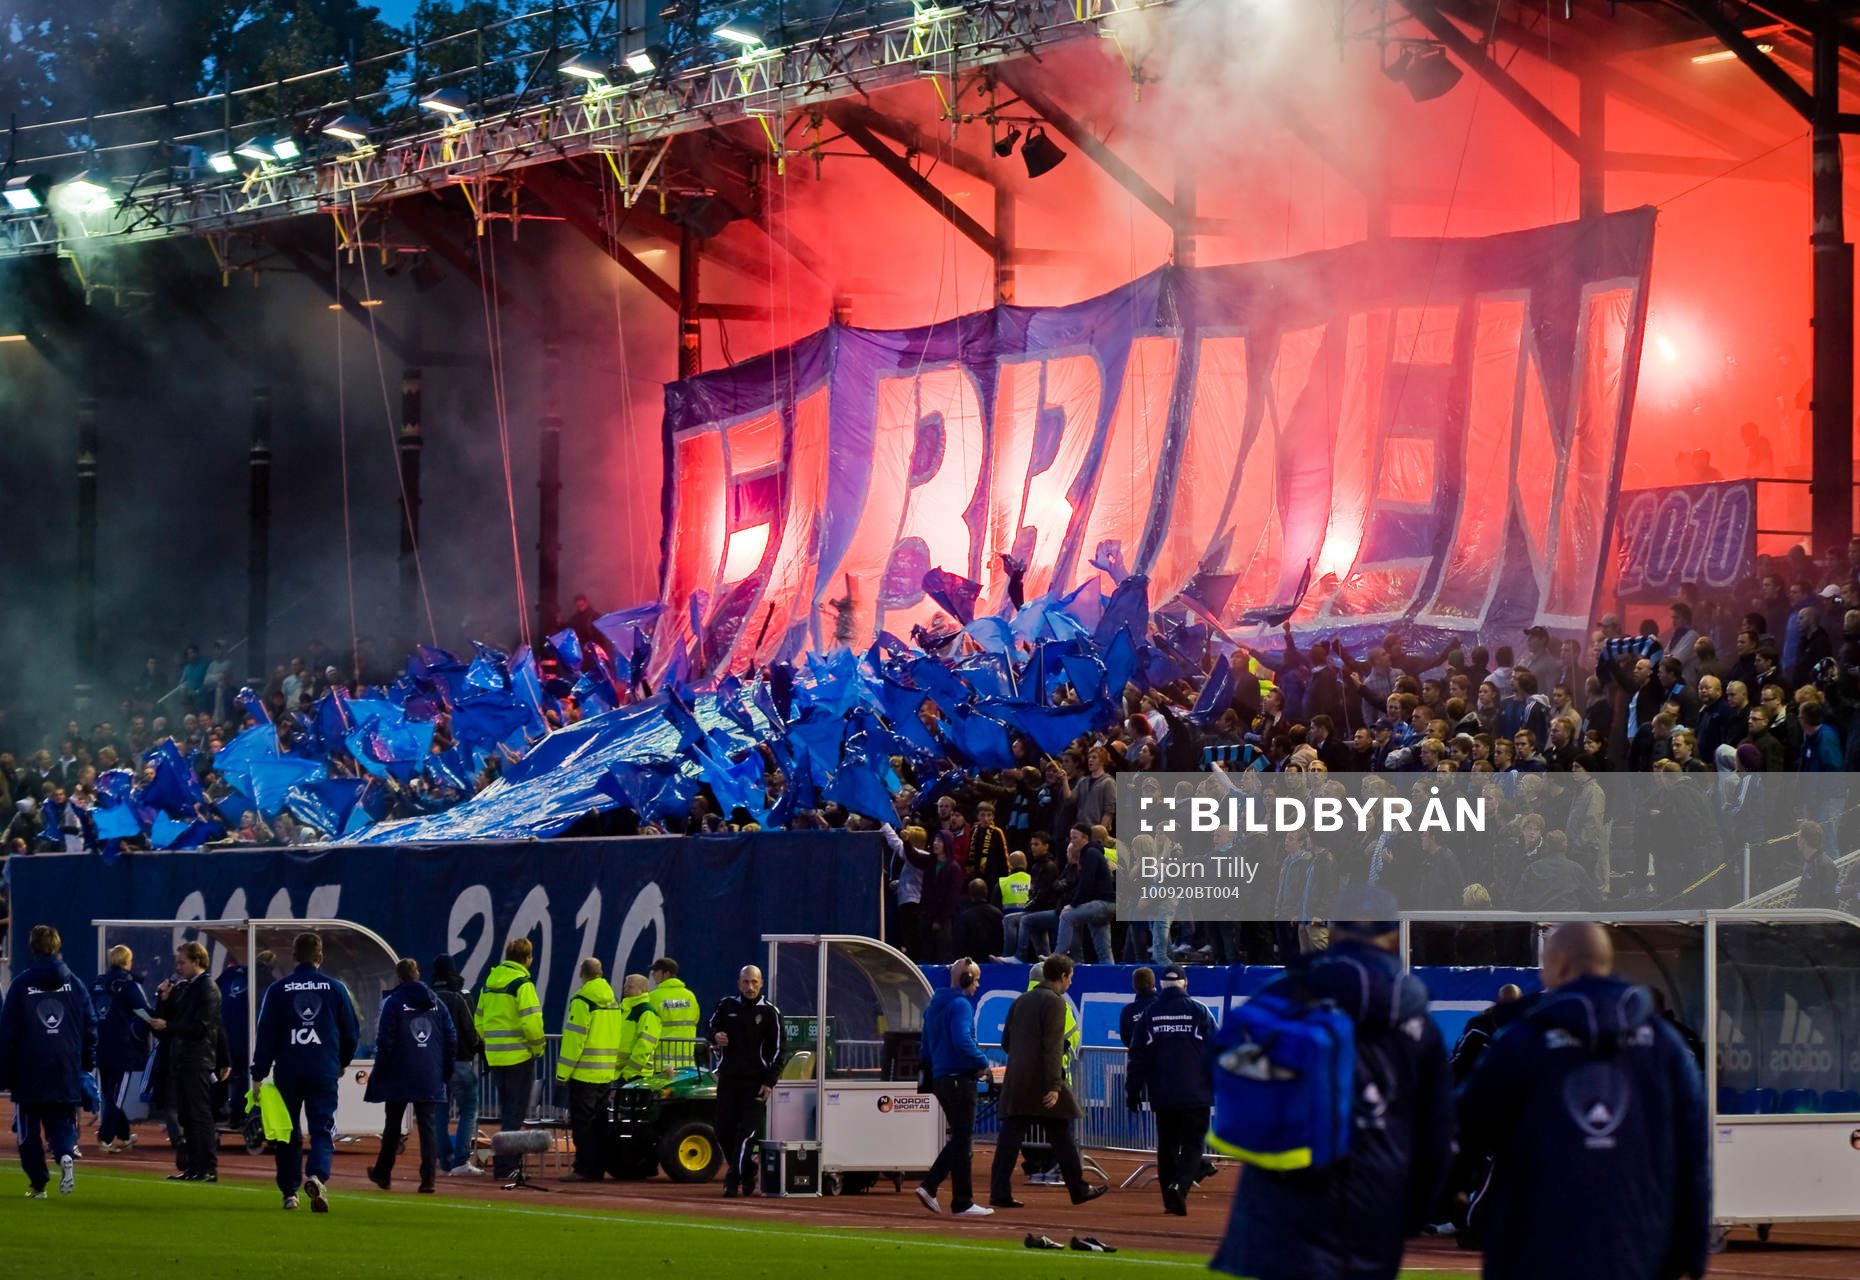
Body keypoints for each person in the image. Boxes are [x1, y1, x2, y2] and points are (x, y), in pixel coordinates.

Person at [1212, 887, 1453, 1280]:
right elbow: (1438, 1132)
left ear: (1334, 933)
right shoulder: (1417, 1020)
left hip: (1284, 1194)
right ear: (1393, 939)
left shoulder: (1282, 995)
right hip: (1375, 1195)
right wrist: (1416, 1211)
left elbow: (1229, 1070)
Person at [1457, 923, 1709, 1280]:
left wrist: (1427, 1202)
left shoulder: (1520, 1043)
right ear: (1606, 964)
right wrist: (1692, 1252)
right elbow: (1693, 1156)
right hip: (1638, 1246)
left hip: (1536, 1247)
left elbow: (1465, 1133)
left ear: (1557, 966)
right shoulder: (1666, 1046)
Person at [252, 931, 360, 1212]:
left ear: (294, 956)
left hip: (288, 1069)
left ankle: (290, 1193)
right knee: (322, 1127)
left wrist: (258, 1073)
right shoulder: (336, 989)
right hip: (323, 1068)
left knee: (287, 1132)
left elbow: (265, 1035)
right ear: (320, 957)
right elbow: (351, 1032)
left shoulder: (278, 990)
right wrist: (342, 1062)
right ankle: (317, 1175)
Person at [988, 954, 1106, 1209]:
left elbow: (1005, 1042)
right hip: (1042, 1080)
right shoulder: (1055, 1003)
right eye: (1070, 977)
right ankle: (1078, 1188)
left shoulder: (1021, 1000)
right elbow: (1053, 1047)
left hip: (1017, 1078)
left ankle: (999, 1192)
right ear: (1062, 977)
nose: (1071, 982)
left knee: (1011, 1138)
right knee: (1062, 1135)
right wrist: (1053, 1085)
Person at [0, 925, 96, 1197]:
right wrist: (86, 1065)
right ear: (57, 947)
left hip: (29, 1067)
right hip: (65, 1065)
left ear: (32, 947)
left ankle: (38, 1184)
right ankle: (65, 1154)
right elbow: (91, 1024)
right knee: (62, 1122)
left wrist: (5, 1074)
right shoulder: (75, 983)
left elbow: (7, 1032)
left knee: (28, 1132)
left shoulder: (20, 984)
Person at [1124, 965, 1214, 1216]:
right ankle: (1179, 1186)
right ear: (1185, 984)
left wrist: (1132, 1091)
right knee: (1194, 1144)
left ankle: (1169, 1199)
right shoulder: (1199, 1012)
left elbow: (1137, 1057)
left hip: (1163, 1093)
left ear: (1161, 985)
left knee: (1167, 1145)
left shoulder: (1150, 1015)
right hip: (1196, 1092)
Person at [366, 957, 455, 1194]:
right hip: (430, 1072)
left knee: (393, 1125)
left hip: (399, 1071)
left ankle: (383, 1174)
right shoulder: (437, 1003)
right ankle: (428, 1179)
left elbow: (385, 1039)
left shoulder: (393, 1003)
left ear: (399, 977)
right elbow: (450, 1038)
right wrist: (444, 1071)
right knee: (427, 1126)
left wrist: (381, 1071)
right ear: (417, 974)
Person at [915, 958, 993, 1218]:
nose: (978, 985)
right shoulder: (960, 1005)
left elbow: (925, 1049)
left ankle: (959, 1199)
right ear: (966, 979)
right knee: (961, 1139)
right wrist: (982, 1062)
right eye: (976, 979)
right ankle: (939, 1189)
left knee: (960, 1139)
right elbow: (962, 1039)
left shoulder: (934, 1005)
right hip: (960, 1079)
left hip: (941, 1080)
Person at [707, 965, 784, 1198]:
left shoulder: (770, 1013)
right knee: (722, 1130)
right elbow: (710, 1026)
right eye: (746, 982)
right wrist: (715, 1036)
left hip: (756, 1083)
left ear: (761, 984)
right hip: (729, 1079)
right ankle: (748, 1170)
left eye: (754, 982)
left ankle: (732, 1180)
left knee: (745, 1133)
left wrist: (769, 1082)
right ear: (739, 983)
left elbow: (779, 1051)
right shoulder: (726, 1005)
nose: (750, 987)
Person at [150, 939, 224, 1183]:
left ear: (196, 961)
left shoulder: (207, 988)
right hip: (182, 1059)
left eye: (182, 962)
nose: (177, 967)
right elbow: (165, 1028)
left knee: (199, 1114)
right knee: (187, 1116)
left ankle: (208, 1167)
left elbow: (202, 1027)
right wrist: (164, 1000)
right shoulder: (187, 988)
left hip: (197, 1059)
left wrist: (169, 1025)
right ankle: (194, 1166)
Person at [474, 937, 545, 1183]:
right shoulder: (522, 984)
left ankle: (503, 1164)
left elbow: (479, 1021)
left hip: (496, 1057)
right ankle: (507, 1167)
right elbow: (531, 1023)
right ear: (528, 958)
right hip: (519, 1057)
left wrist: (491, 1044)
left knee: (507, 1112)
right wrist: (538, 1048)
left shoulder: (489, 984)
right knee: (514, 1115)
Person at [556, 957, 623, 1181]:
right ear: (601, 973)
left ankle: (584, 1168)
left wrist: (563, 1073)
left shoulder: (582, 1001)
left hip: (584, 1074)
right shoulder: (613, 1001)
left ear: (581, 974)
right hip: (605, 1073)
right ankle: (598, 1167)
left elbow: (574, 1041)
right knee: (600, 1123)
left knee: (583, 1124)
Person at [90, 942, 151, 1153]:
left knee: (110, 1093)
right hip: (123, 1048)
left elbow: (89, 1011)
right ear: (127, 961)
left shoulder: (98, 983)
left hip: (100, 1046)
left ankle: (124, 1136)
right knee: (119, 1094)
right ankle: (105, 1137)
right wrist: (154, 1022)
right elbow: (143, 1011)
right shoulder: (128, 983)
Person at [426, 953, 482, 1176]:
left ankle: (445, 1161)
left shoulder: (428, 997)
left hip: (434, 1064)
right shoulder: (459, 997)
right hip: (459, 1061)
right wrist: (478, 1045)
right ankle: (460, 1161)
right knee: (468, 1110)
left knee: (440, 1112)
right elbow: (469, 1029)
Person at [646, 957, 700, 1073]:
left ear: (666, 974)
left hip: (662, 1064)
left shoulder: (654, 997)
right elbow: (695, 1018)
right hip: (687, 1062)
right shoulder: (690, 996)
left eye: (656, 971)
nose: (653, 974)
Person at [616, 974, 661, 1083]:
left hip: (637, 1075)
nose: (625, 989)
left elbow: (644, 1046)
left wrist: (630, 1072)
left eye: (630, 987)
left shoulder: (646, 1012)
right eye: (625, 986)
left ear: (642, 990)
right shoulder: (624, 1009)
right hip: (621, 1073)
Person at [1118, 967, 1157, 1048]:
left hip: (1138, 1057)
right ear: (1153, 983)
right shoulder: (1164, 1005)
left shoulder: (1128, 1011)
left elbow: (1126, 1039)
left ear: (1134, 985)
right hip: (1162, 1057)